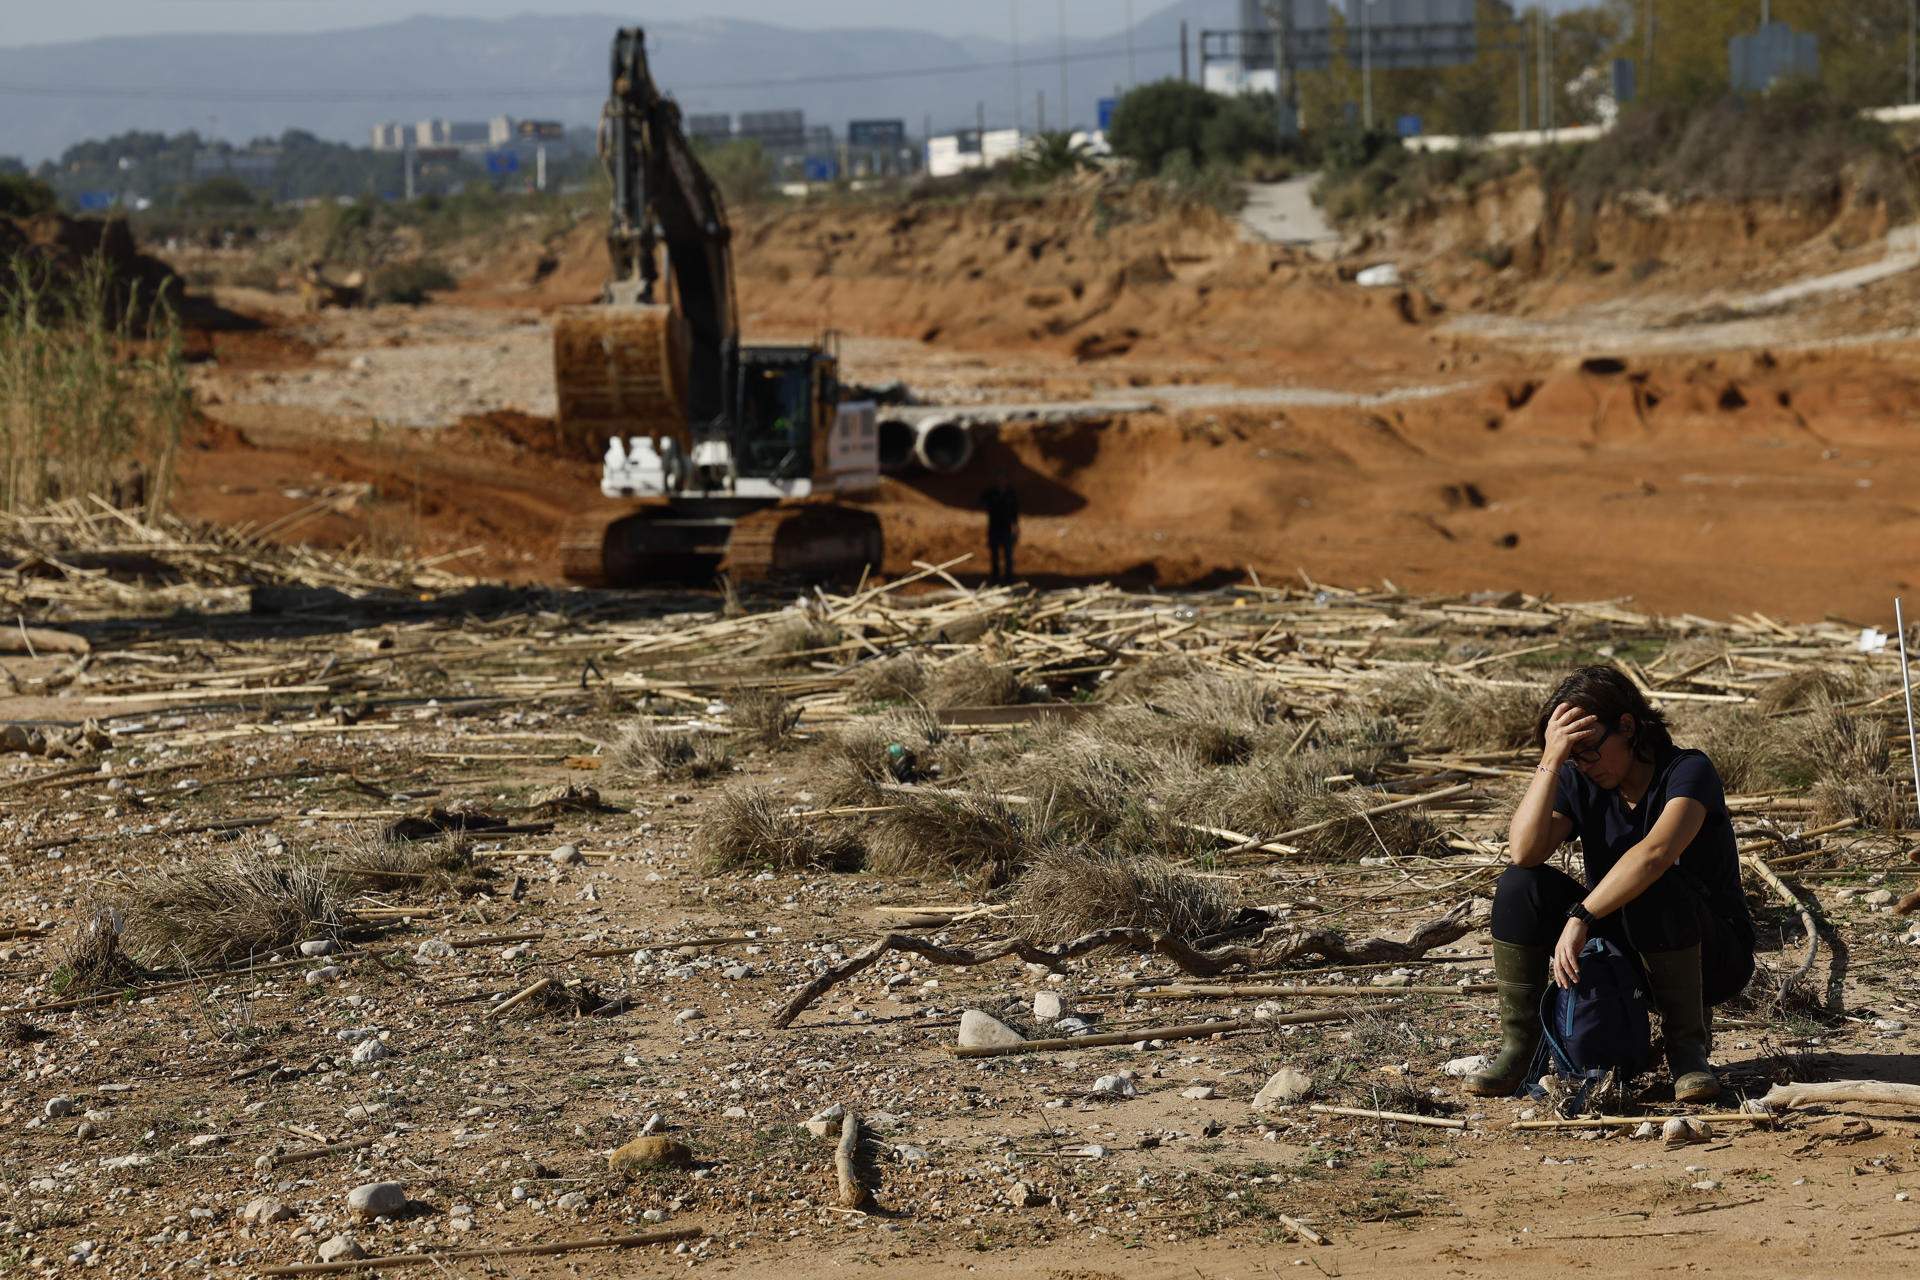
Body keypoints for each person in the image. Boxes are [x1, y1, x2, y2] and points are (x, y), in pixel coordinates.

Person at [1464, 666, 1755, 1103]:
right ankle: (1519, 1051)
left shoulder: (1688, 771)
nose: (1584, 765)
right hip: (1626, 947)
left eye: (1589, 751)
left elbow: (1654, 854)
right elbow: (1524, 851)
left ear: (1627, 726)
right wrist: (1551, 762)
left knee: (1656, 884)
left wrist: (1582, 916)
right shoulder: (1582, 777)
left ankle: (1688, 1056)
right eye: (1573, 755)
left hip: (1708, 955)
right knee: (1520, 885)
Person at [980, 473, 1020, 583]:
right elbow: (981, 502)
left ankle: (1008, 577)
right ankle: (995, 576)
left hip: (1006, 528)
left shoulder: (1010, 494)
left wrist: (1015, 526)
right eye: (999, 479)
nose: (1001, 482)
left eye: (1003, 479)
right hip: (994, 528)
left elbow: (1015, 511)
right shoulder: (991, 493)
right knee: (995, 554)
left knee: (1008, 554)